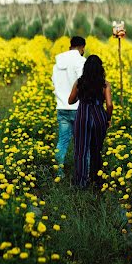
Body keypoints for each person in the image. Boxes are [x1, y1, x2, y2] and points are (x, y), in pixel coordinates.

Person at [68, 55, 113, 188]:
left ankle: (81, 182)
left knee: (81, 150)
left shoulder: (80, 82)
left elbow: (70, 100)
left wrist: (80, 96)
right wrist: (108, 118)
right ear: (100, 68)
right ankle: (97, 180)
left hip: (83, 116)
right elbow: (109, 105)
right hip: (99, 116)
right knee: (96, 149)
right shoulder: (105, 84)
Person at [52, 36, 86, 176]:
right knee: (82, 144)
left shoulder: (57, 64)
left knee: (62, 141)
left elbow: (54, 82)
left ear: (70, 46)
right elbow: (82, 83)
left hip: (62, 107)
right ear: (82, 47)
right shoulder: (82, 61)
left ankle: (59, 172)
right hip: (78, 108)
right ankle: (82, 173)